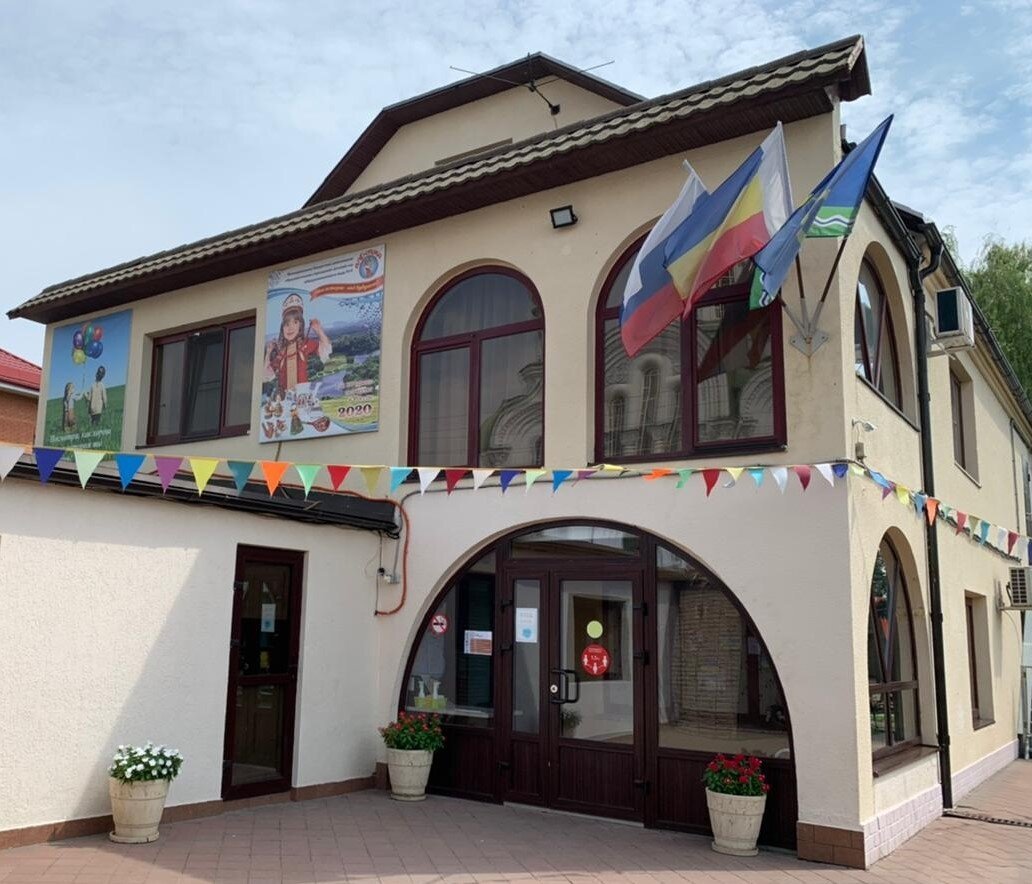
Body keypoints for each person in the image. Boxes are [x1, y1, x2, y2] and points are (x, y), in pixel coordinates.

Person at [264, 293, 331, 393]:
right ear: (282, 328)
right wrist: (269, 352)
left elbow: (326, 349)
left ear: (300, 325)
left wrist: (318, 330)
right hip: (284, 397)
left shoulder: (305, 344)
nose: (290, 328)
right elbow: (266, 375)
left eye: (295, 322)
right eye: (287, 324)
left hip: (302, 395)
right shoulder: (281, 352)